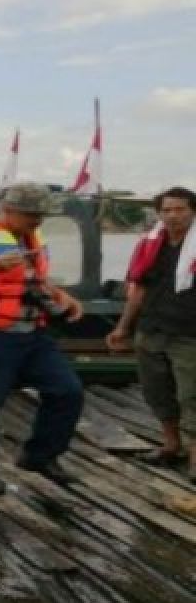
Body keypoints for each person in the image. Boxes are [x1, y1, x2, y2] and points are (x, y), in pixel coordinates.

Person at [0, 182, 85, 495]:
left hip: (33, 332)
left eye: (40, 214)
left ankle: (40, 456)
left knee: (67, 391)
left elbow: (34, 280)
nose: (37, 220)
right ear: (6, 210)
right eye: (30, 214)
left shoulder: (33, 237)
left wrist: (63, 296)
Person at [107, 186, 196, 482]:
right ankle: (171, 445)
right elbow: (138, 289)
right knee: (157, 390)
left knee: (191, 395)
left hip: (189, 332)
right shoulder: (151, 245)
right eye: (167, 210)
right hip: (152, 328)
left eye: (180, 209)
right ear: (159, 214)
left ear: (192, 210)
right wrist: (122, 327)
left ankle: (195, 456)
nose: (173, 215)